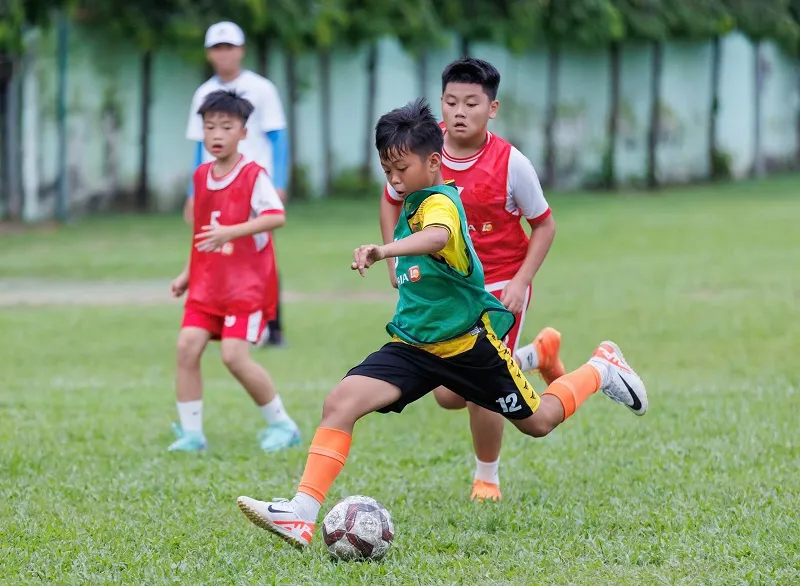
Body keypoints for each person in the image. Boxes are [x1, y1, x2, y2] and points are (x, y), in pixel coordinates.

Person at [235, 98, 648, 548]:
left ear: (433, 162)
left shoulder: (440, 203)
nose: (394, 180)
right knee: (340, 402)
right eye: (386, 171)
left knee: (539, 422)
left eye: (401, 169)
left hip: (468, 349)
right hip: (413, 347)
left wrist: (384, 250)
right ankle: (301, 513)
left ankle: (601, 367)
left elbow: (439, 236)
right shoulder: (411, 199)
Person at [380, 58, 563, 502]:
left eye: (471, 103)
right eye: (450, 101)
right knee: (447, 395)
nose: (459, 111)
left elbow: (545, 225)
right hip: (448, 293)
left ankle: (487, 479)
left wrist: (521, 281)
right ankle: (534, 356)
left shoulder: (511, 164)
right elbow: (389, 199)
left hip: (497, 292)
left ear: (492, 108)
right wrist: (392, 259)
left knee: (481, 391)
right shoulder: (422, 154)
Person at [169, 89, 301, 453]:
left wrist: (232, 230)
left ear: (243, 133)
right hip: (208, 284)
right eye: (209, 126)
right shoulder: (199, 177)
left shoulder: (254, 175)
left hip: (246, 288)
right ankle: (192, 434)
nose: (216, 134)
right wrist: (187, 273)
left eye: (226, 127)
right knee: (186, 347)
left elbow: (277, 216)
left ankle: (283, 424)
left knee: (233, 356)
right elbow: (201, 233)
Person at [185, 21, 288, 348]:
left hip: (252, 183)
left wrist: (280, 182)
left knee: (259, 252)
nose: (224, 54)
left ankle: (272, 325)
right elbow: (196, 147)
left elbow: (277, 137)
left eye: (229, 47)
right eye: (217, 48)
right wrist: (193, 193)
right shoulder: (203, 93)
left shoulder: (261, 89)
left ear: (241, 50)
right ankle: (221, 317)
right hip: (215, 184)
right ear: (209, 53)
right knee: (217, 249)